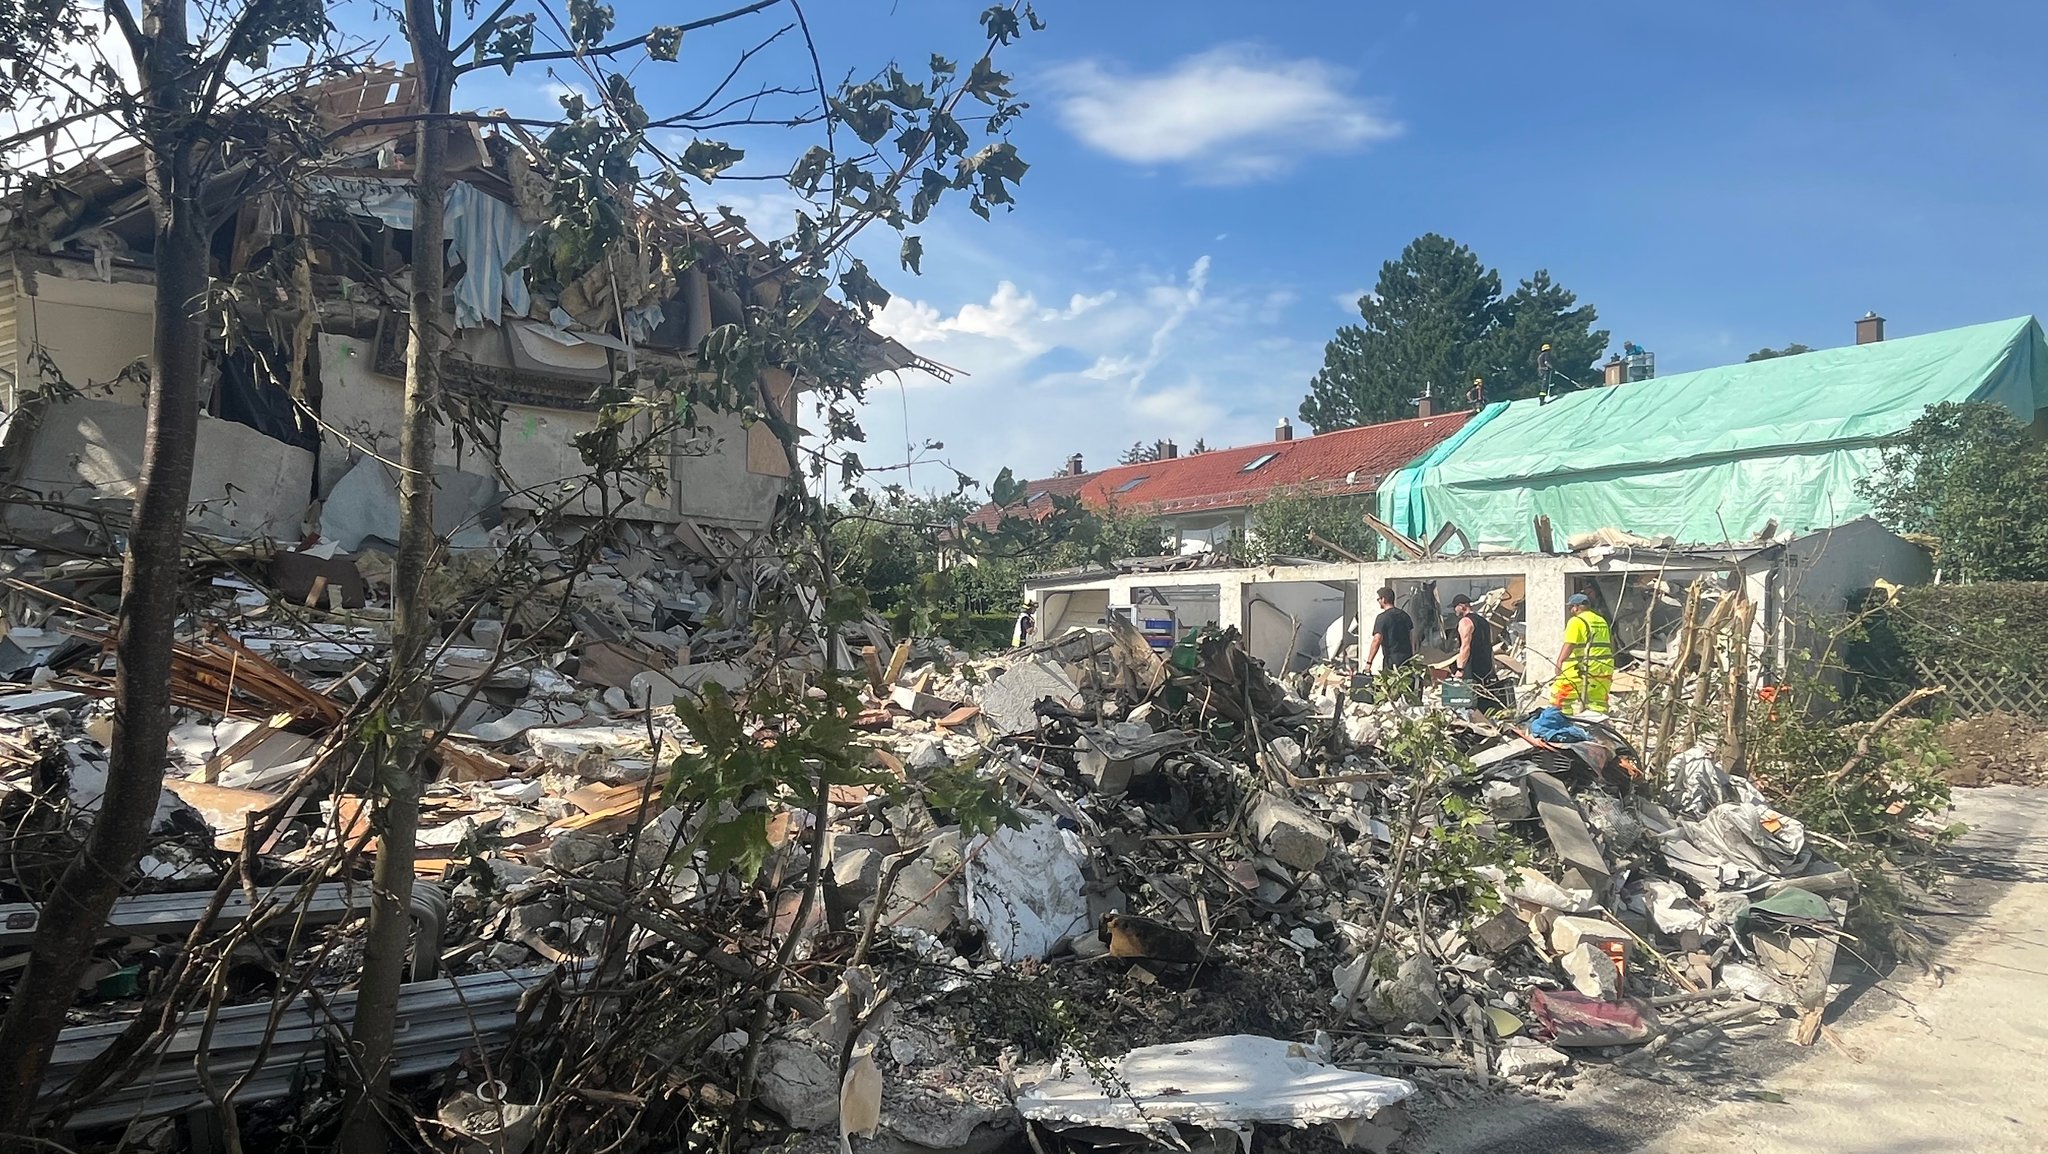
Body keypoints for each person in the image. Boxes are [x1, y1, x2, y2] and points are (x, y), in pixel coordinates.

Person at [1552, 592, 1614, 717]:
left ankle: (1564, 723)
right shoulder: (1601, 620)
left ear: (1576, 607)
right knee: (1598, 701)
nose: (1571, 610)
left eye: (1571, 607)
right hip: (1605, 666)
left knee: (1560, 697)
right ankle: (1596, 728)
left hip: (1583, 667)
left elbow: (1569, 644)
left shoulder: (1576, 621)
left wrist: (1559, 662)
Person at [1450, 594, 1505, 712]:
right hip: (1485, 667)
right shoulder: (1484, 621)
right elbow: (1488, 646)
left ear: (1462, 606)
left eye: (1455, 607)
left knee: (1470, 702)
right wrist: (1492, 668)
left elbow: (1465, 646)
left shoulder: (1465, 621)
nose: (1454, 610)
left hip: (1472, 667)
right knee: (1483, 700)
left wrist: (1460, 669)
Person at [1364, 586, 1415, 674]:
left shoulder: (1382, 618)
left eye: (1378, 599)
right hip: (1407, 661)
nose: (1378, 601)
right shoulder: (1405, 616)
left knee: (1392, 686)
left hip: (1392, 662)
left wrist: (1369, 663)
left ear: (1383, 599)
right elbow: (1412, 639)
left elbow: (1377, 640)